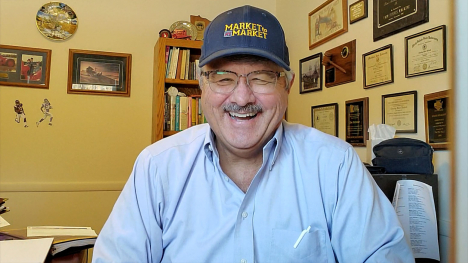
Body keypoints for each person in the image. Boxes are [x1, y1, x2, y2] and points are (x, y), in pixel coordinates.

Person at [93, 5, 414, 263]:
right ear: (202, 86)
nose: (242, 97)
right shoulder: (157, 167)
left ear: (286, 86)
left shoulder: (335, 164)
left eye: (261, 77)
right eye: (223, 78)